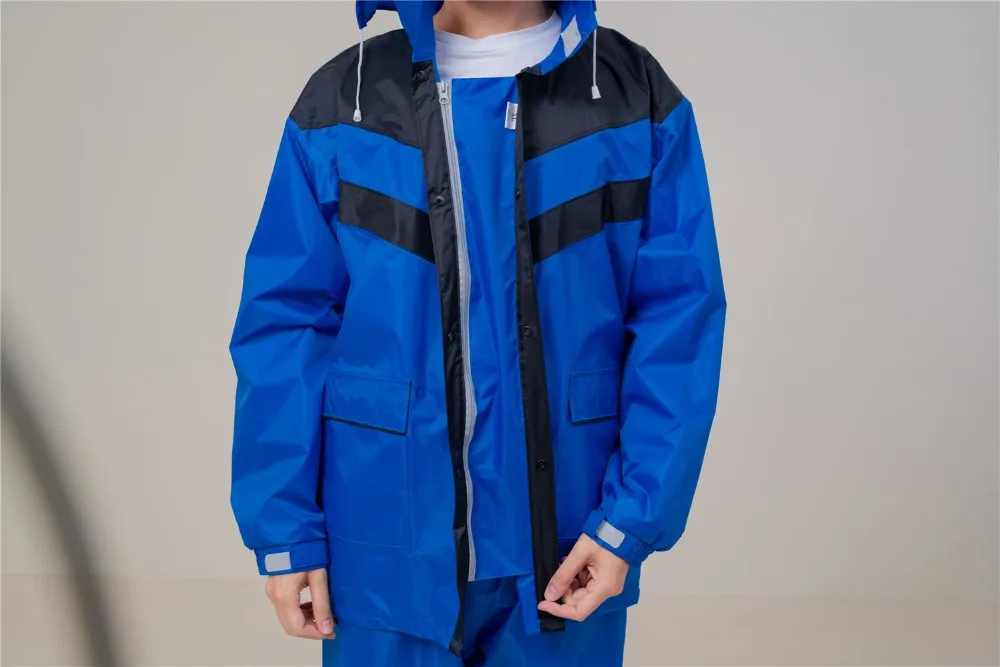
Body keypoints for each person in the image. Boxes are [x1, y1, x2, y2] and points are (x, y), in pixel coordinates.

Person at [229, 0, 726, 665]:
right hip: (383, 547)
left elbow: (677, 325)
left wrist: (627, 521)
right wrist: (285, 529)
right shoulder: (346, 99)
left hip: (569, 546)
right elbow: (285, 325)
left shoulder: (631, 96)